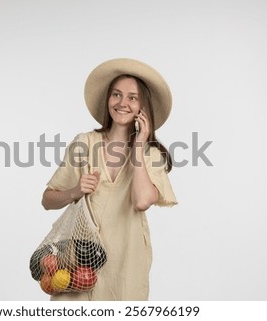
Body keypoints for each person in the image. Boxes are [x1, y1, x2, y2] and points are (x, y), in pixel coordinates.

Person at [41, 58, 178, 300]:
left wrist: (138, 145)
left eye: (132, 97)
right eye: (116, 95)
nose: (122, 103)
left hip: (126, 263)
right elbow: (47, 200)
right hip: (79, 264)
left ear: (143, 108)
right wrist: (74, 191)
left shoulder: (150, 154)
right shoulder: (84, 143)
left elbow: (142, 201)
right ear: (108, 100)